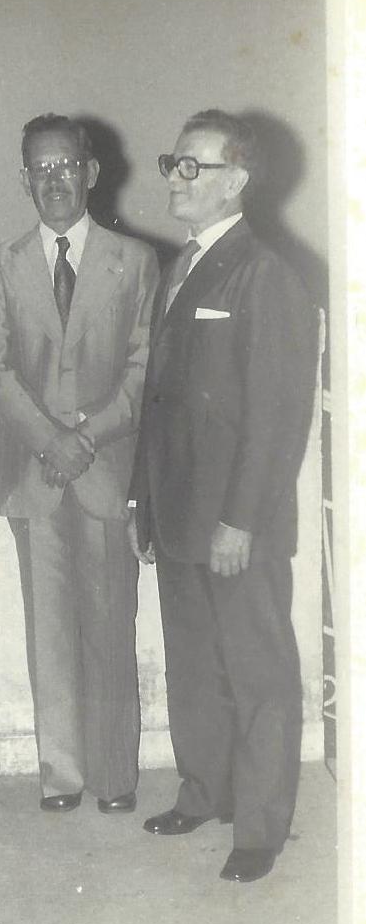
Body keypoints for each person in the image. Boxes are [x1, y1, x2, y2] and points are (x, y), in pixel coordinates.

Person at [127, 109, 318, 882]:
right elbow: (158, 400)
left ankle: (260, 829)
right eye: (171, 162)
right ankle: (204, 792)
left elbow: (276, 415)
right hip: (177, 513)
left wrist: (239, 519)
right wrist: (142, 501)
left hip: (235, 522)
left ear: (234, 181)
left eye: (191, 166)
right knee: (194, 665)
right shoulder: (181, 267)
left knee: (256, 671)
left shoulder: (263, 272)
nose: (174, 178)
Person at [0, 114, 158, 814]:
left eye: (66, 166)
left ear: (91, 173)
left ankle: (114, 776)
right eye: (40, 169)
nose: (54, 179)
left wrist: (85, 436)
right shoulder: (2, 262)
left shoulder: (134, 260)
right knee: (48, 631)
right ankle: (62, 774)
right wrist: (50, 440)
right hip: (35, 473)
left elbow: (144, 367)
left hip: (106, 467)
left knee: (111, 625)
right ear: (23, 179)